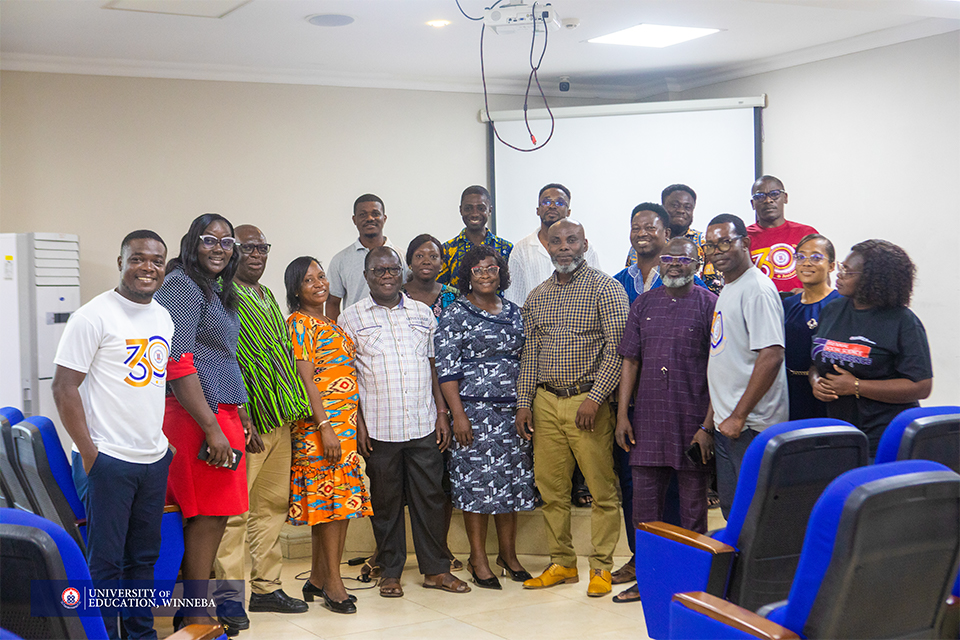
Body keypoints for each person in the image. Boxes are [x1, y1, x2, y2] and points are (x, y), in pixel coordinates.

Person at [51, 230, 174, 639]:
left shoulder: (161, 314)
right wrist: (90, 455)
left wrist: (162, 447)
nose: (148, 267)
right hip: (108, 460)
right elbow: (64, 387)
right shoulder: (93, 315)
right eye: (138, 258)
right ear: (120, 262)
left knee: (144, 558)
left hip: (152, 459)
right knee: (106, 563)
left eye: (156, 260)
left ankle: (141, 635)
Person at [339, 246, 469, 598]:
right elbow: (346, 375)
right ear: (366, 276)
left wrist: (442, 414)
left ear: (402, 273)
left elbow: (433, 366)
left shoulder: (423, 313)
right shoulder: (349, 318)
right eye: (378, 270)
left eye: (392, 269)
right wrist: (359, 425)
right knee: (386, 503)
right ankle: (390, 570)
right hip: (378, 429)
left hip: (423, 423)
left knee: (431, 498)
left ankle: (436, 570)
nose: (386, 275)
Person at [515, 219, 629, 598]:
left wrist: (596, 398)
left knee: (601, 489)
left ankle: (601, 567)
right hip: (546, 401)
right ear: (546, 245)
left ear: (584, 244)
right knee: (551, 489)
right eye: (557, 240)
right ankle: (562, 563)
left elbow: (618, 350)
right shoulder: (537, 296)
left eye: (572, 240)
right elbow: (530, 354)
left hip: (588, 401)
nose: (564, 247)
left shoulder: (607, 289)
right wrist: (524, 403)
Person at [213, 226, 310, 633]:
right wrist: (244, 417)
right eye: (247, 247)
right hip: (245, 422)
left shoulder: (267, 294)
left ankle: (267, 587)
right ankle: (228, 599)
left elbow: (281, 354)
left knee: (270, 508)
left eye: (262, 247)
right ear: (233, 250)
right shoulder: (220, 295)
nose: (256, 254)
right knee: (233, 513)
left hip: (280, 417)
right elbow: (222, 359)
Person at [154, 214, 249, 631]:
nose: (218, 248)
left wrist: (239, 414)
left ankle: (195, 607)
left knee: (215, 515)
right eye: (209, 240)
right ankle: (194, 611)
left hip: (220, 413)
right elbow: (178, 361)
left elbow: (222, 357)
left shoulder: (215, 289)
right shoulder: (182, 286)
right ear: (192, 243)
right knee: (205, 514)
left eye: (227, 242)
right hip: (195, 418)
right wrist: (212, 427)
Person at [612, 237, 718, 604]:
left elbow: (718, 371)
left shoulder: (710, 306)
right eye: (668, 258)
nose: (674, 264)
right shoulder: (643, 304)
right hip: (648, 423)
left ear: (697, 263)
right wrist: (623, 413)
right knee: (645, 512)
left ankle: (693, 586)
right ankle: (648, 582)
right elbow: (630, 361)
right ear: (660, 263)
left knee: (692, 511)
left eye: (683, 259)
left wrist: (707, 427)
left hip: (692, 423)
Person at [435, 246, 535, 590]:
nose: (485, 274)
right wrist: (456, 415)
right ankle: (478, 558)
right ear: (468, 275)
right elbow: (446, 369)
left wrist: (526, 404)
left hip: (513, 413)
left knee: (511, 485)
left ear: (500, 272)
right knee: (475, 488)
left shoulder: (515, 312)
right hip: (473, 414)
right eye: (477, 269)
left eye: (491, 268)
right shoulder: (455, 314)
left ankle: (508, 555)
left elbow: (527, 358)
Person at [284, 256, 373, 614]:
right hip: (320, 427)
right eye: (309, 279)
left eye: (321, 276)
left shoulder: (331, 322)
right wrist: (325, 427)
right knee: (329, 506)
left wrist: (355, 424)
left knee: (339, 503)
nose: (319, 282)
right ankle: (334, 585)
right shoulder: (299, 323)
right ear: (296, 289)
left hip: (345, 425)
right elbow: (305, 379)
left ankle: (320, 577)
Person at [810, 239, 932, 457]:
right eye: (841, 267)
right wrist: (815, 380)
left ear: (871, 279)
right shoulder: (832, 309)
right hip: (840, 432)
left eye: (847, 271)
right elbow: (819, 359)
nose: (839, 274)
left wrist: (856, 386)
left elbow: (921, 386)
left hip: (886, 434)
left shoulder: (903, 321)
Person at [704, 213, 788, 519]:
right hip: (730, 424)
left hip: (751, 425)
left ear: (746, 242)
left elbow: (772, 355)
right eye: (711, 245)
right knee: (734, 511)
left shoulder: (757, 289)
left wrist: (738, 416)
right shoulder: (730, 287)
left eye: (725, 241)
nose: (717, 251)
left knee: (754, 516)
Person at [505, 183, 602, 307]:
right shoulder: (521, 249)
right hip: (537, 322)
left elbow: (597, 286)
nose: (552, 206)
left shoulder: (584, 248)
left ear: (568, 212)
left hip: (581, 320)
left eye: (560, 203)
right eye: (546, 202)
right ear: (537, 210)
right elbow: (514, 299)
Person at [782, 234, 840, 421]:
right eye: (801, 257)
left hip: (825, 390)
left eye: (816, 257)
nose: (807, 263)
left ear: (831, 266)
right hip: (788, 389)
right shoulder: (787, 304)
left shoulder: (840, 304)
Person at [625, 184, 722, 294]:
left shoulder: (704, 242)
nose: (681, 210)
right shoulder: (642, 244)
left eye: (687, 207)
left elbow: (714, 287)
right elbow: (629, 281)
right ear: (663, 208)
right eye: (675, 205)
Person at [325, 194, 406, 321]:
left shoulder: (402, 257)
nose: (369, 218)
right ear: (354, 220)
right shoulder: (340, 260)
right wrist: (338, 335)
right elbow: (332, 303)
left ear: (384, 218)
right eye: (363, 214)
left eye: (375, 213)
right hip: (355, 332)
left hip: (397, 330)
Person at [747, 175, 819, 295]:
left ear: (785, 198)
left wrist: (809, 294)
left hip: (802, 308)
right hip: (760, 308)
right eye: (760, 196)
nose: (768, 200)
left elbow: (823, 277)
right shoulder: (744, 238)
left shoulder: (807, 234)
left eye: (774, 194)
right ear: (753, 204)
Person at [437, 185, 513, 291]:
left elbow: (513, 288)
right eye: (468, 208)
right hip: (458, 307)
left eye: (481, 208)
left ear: (490, 210)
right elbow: (439, 290)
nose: (474, 213)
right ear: (461, 210)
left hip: (498, 307)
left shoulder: (507, 248)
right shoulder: (447, 250)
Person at [404, 234, 459, 319]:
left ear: (441, 264)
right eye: (420, 256)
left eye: (433, 256)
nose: (426, 261)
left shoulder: (454, 296)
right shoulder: (397, 295)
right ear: (409, 263)